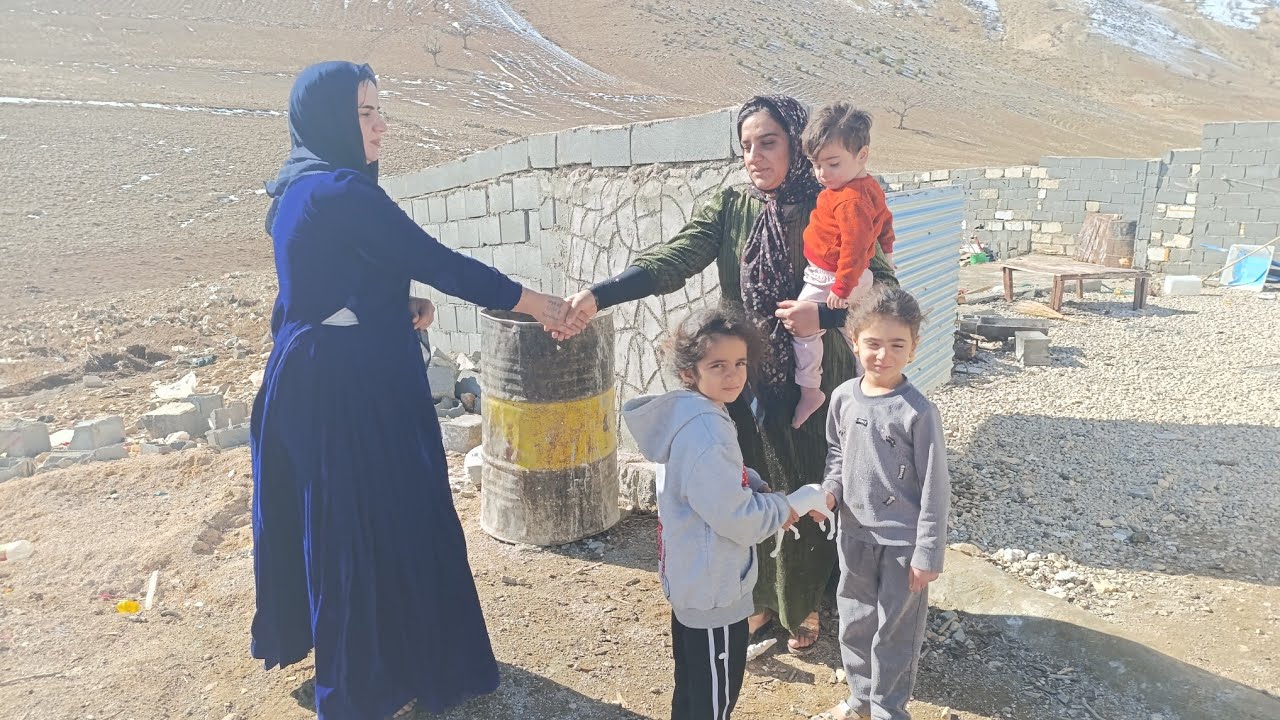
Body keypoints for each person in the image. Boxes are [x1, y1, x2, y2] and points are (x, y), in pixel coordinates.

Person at [249, 61, 568, 720]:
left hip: (318, 374)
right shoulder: (341, 192)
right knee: (366, 523)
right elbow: (440, 262)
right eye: (365, 114)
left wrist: (398, 308)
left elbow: (325, 287)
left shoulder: (297, 189)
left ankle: (385, 658)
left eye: (378, 110)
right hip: (347, 391)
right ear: (334, 120)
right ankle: (371, 680)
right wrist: (537, 302)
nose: (380, 125)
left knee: (354, 520)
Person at [559, 95, 898, 653]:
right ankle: (761, 597)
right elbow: (675, 258)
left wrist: (828, 314)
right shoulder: (733, 206)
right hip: (745, 376)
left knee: (808, 479)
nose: (754, 157)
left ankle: (805, 601)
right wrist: (600, 295)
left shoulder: (834, 201)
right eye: (745, 145)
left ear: (796, 142)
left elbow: (884, 288)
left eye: (768, 142)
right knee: (751, 481)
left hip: (813, 379)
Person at [622, 307, 797, 720]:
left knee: (693, 694)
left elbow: (705, 480)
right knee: (713, 704)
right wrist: (784, 506)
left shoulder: (688, 415)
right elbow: (740, 519)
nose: (733, 375)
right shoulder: (707, 431)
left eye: (739, 363)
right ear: (689, 372)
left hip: (691, 582)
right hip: (715, 592)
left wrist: (749, 480)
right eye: (717, 365)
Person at [810, 287, 950, 720]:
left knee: (895, 630)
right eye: (872, 343)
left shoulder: (918, 412)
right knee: (855, 622)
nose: (882, 355)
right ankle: (860, 701)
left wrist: (928, 552)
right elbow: (837, 456)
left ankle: (889, 709)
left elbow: (934, 487)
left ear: (913, 348)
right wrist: (829, 493)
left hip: (903, 545)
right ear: (854, 341)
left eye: (896, 345)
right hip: (853, 534)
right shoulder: (842, 397)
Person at [790, 103, 896, 429]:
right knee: (856, 332)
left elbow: (853, 246)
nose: (822, 174)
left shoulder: (849, 199)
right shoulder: (865, 187)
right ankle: (868, 386)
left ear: (862, 155)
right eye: (815, 165)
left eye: (832, 164)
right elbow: (885, 221)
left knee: (800, 325)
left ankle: (810, 388)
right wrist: (888, 250)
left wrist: (841, 288)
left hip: (832, 277)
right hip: (839, 275)